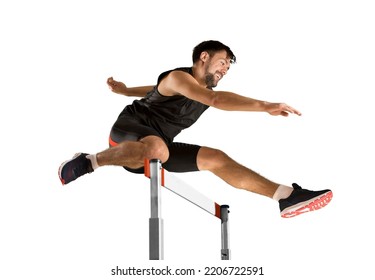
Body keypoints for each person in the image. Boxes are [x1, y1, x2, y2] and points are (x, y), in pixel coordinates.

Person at [58, 40, 332, 218]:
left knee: (216, 158)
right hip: (131, 128)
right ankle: (90, 161)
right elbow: (212, 98)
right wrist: (264, 105)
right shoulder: (181, 78)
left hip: (160, 143)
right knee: (156, 148)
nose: (225, 69)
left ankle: (284, 195)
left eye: (228, 67)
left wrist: (127, 89)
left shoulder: (197, 90)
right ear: (204, 56)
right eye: (223, 62)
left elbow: (156, 89)